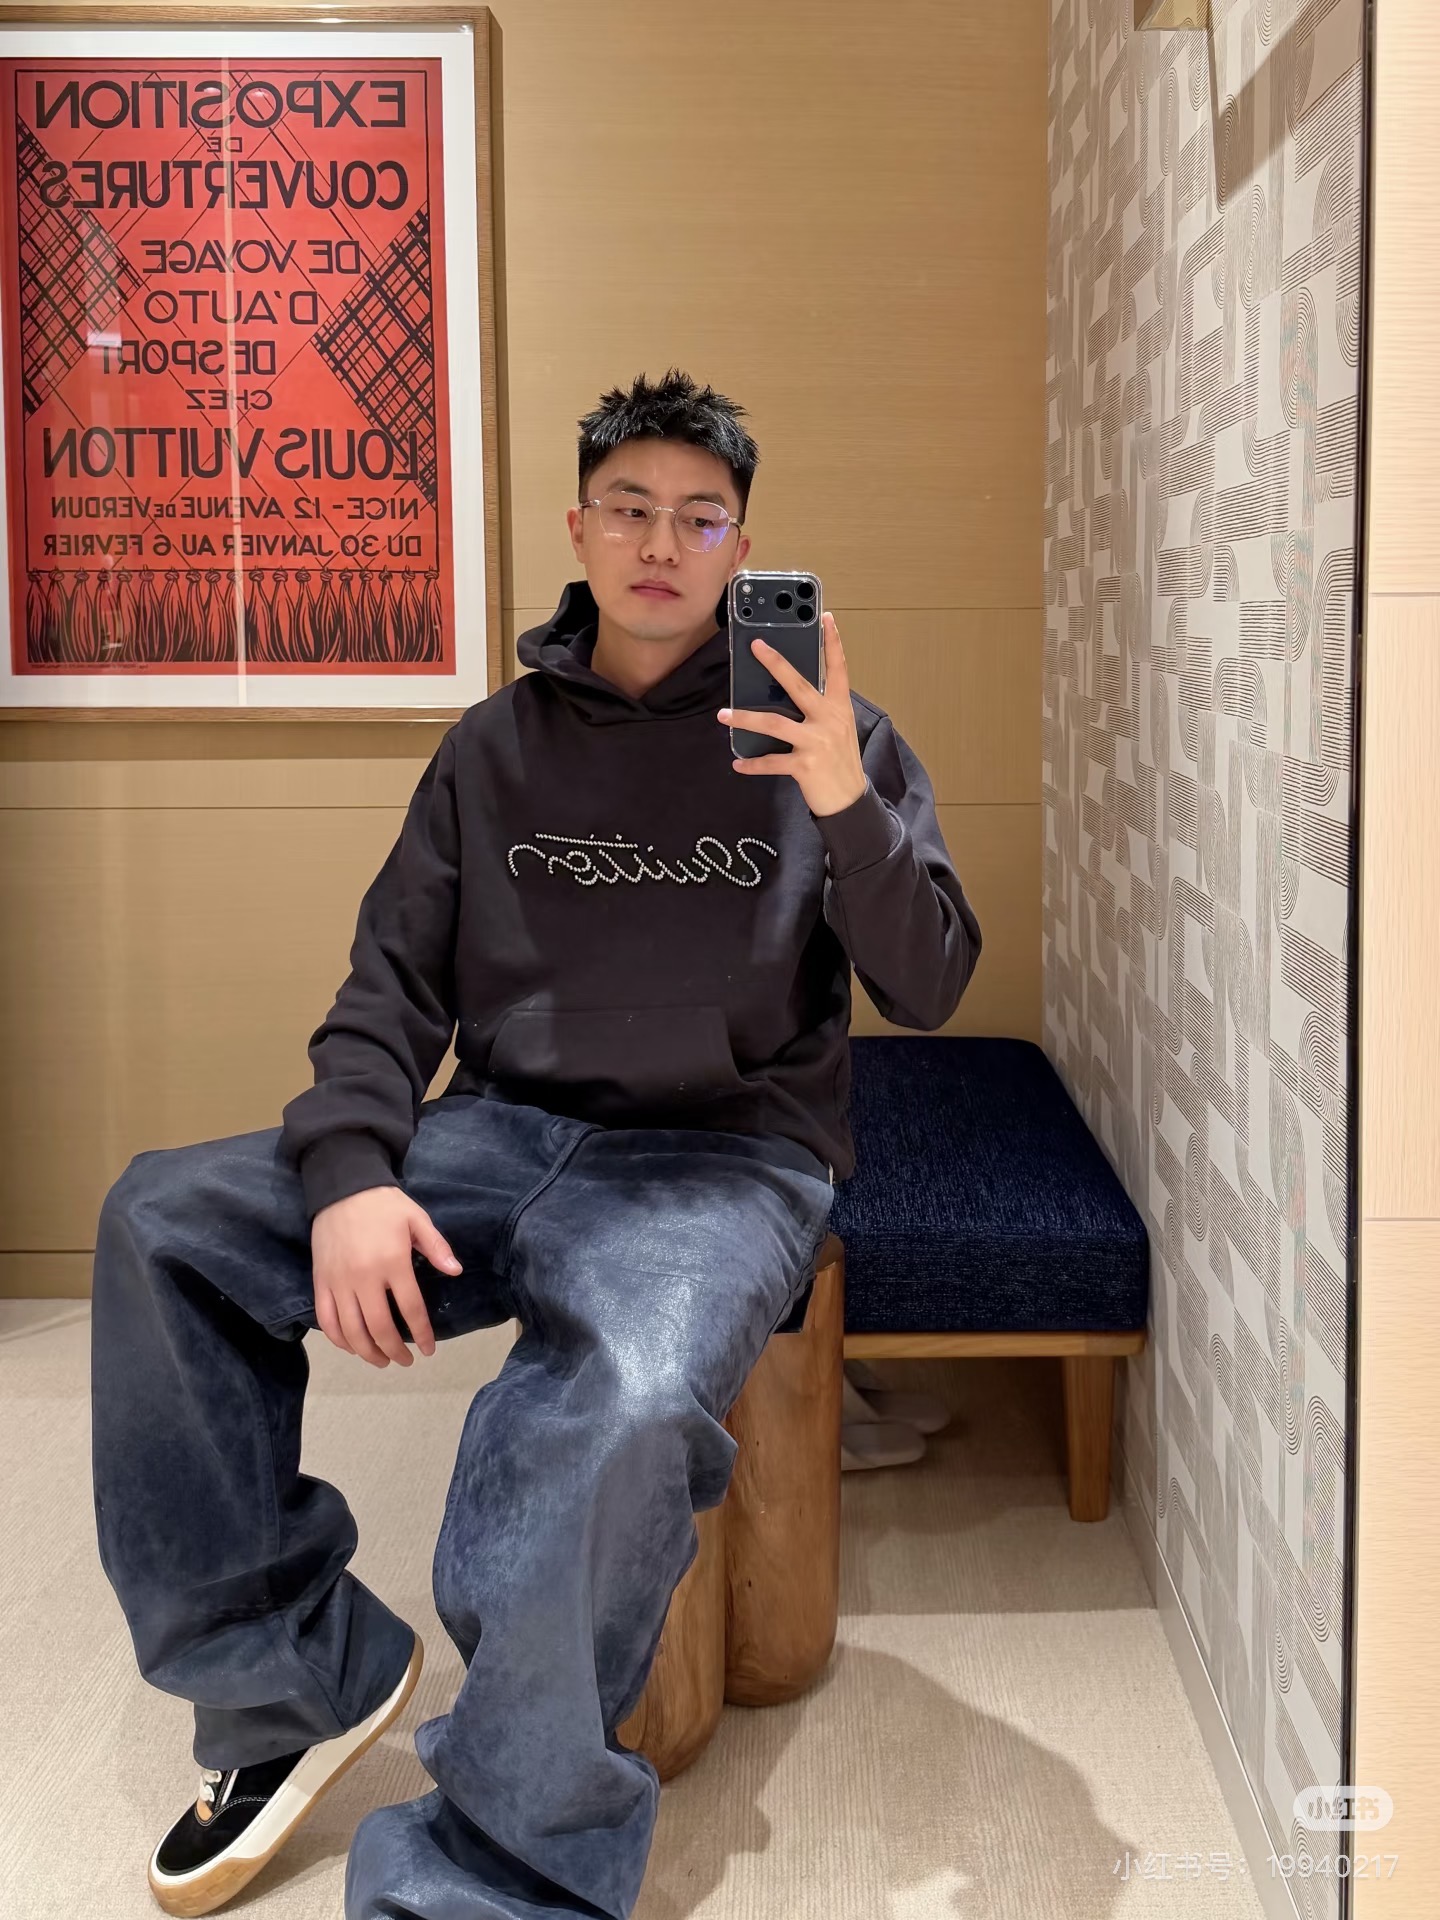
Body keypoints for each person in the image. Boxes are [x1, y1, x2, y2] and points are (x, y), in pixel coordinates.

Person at [90, 367, 983, 1920]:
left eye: (701, 518)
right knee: (164, 1220)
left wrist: (847, 801)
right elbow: (386, 992)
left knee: (621, 1411)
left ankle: (495, 1874)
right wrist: (351, 1175)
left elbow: (936, 981)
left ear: (743, 544)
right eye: (630, 509)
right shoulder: (492, 750)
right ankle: (291, 1676)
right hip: (501, 1135)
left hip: (723, 1166)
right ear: (578, 529)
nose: (663, 544)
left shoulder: (835, 736)